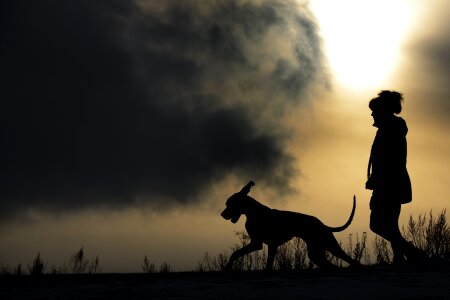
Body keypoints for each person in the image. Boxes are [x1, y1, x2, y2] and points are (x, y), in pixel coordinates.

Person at [366, 90, 425, 265]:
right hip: (392, 182)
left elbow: (390, 160)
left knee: (377, 225)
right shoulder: (390, 129)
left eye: (375, 110)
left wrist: (377, 179)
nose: (372, 114)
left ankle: (412, 252)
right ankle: (400, 259)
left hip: (389, 184)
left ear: (383, 110)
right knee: (390, 225)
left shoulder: (390, 130)